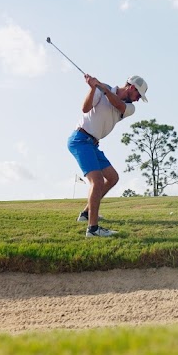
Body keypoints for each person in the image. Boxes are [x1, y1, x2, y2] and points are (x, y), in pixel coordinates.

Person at [67, 73, 148, 237]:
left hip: (92, 144)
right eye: (138, 95)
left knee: (112, 178)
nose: (138, 99)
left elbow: (118, 104)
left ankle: (86, 213)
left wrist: (103, 88)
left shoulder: (129, 108)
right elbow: (85, 109)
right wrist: (93, 88)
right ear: (132, 87)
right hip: (80, 139)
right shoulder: (100, 90)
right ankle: (93, 229)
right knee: (97, 181)